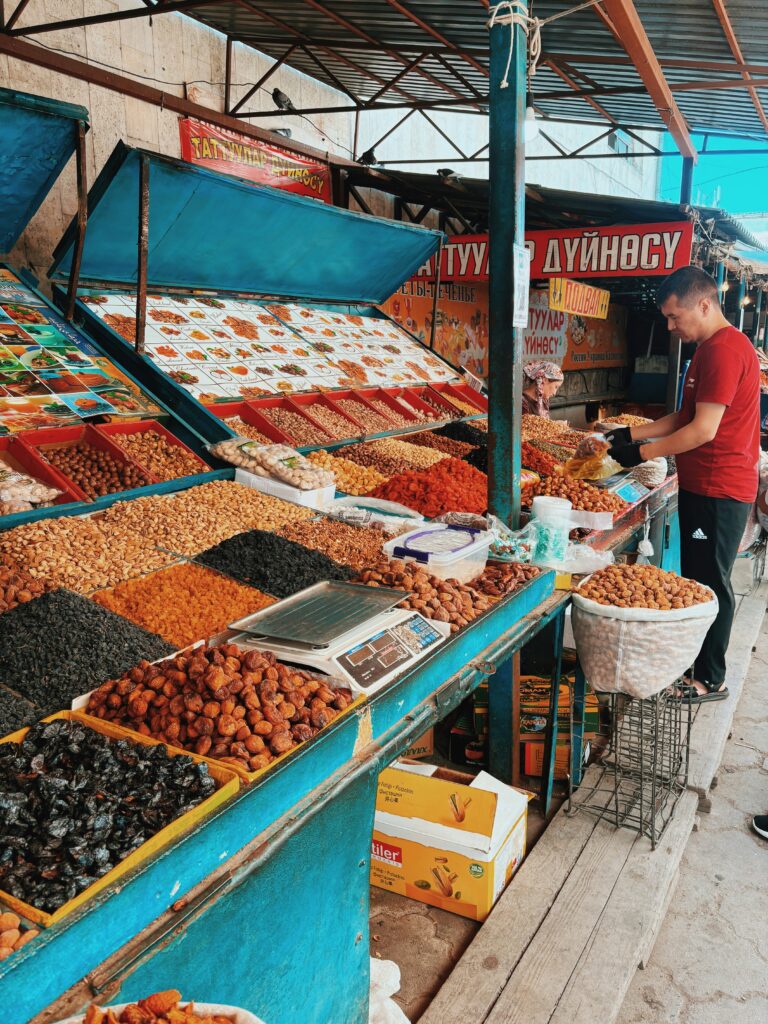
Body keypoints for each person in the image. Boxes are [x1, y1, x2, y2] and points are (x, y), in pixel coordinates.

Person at [606, 266, 760, 704]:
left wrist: (643, 455)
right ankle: (697, 666)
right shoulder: (706, 352)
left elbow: (704, 430)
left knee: (711, 583)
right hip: (704, 483)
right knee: (699, 579)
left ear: (705, 304)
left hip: (719, 486)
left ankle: (710, 679)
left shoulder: (726, 350)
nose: (671, 328)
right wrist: (629, 435)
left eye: (675, 318)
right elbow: (682, 418)